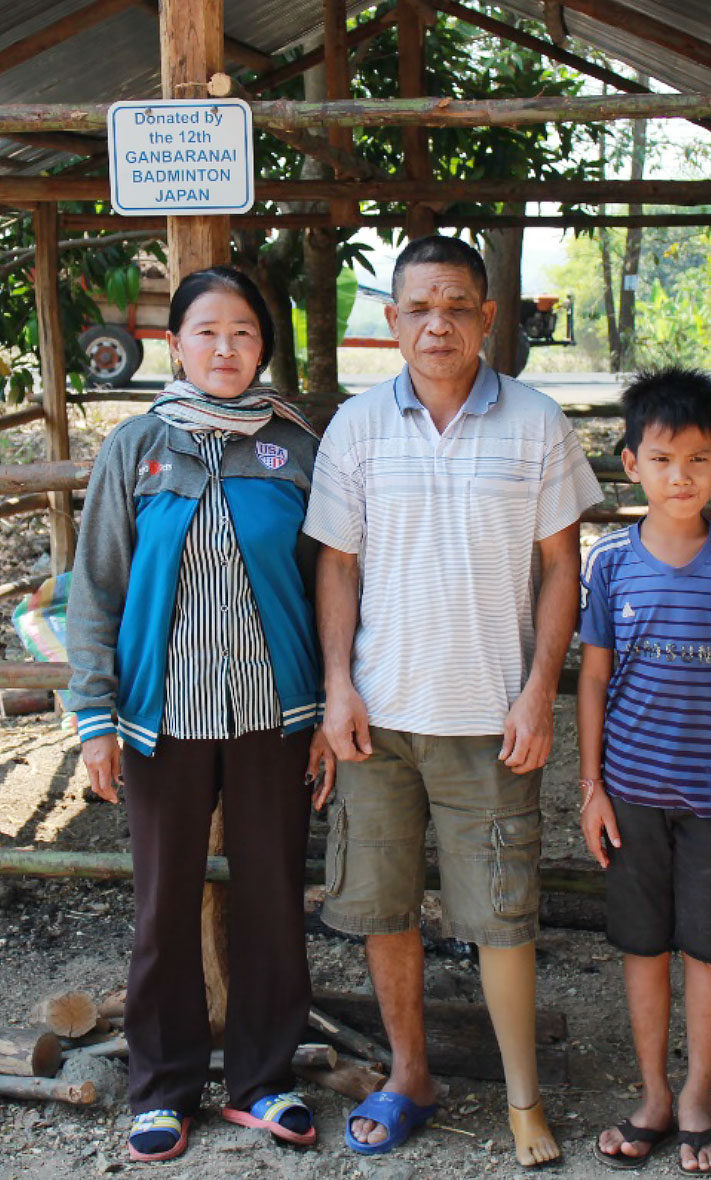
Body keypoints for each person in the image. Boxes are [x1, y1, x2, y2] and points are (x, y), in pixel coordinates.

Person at [303, 235, 602, 1167]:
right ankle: (409, 1076)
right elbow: (337, 567)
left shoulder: (536, 421)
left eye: (458, 305)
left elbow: (561, 568)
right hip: (380, 719)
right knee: (385, 907)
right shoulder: (356, 427)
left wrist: (536, 694)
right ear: (391, 322)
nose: (439, 323)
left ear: (486, 317)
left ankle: (522, 1100)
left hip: (490, 716)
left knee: (502, 912)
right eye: (419, 307)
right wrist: (338, 686)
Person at [66, 266, 335, 1163]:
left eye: (244, 334)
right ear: (175, 344)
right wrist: (94, 716)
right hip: (159, 718)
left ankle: (265, 1081)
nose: (226, 349)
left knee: (272, 900)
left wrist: (332, 709)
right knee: (162, 904)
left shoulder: (295, 447)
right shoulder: (135, 447)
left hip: (275, 711)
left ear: (264, 346)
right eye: (207, 332)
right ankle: (163, 1088)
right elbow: (97, 590)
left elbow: (328, 586)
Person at [577, 367, 711, 1176]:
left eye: (697, 460)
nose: (680, 476)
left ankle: (699, 1097)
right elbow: (593, 680)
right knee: (641, 947)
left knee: (706, 949)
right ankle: (653, 1098)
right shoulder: (607, 560)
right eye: (662, 459)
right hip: (629, 795)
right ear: (630, 462)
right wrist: (591, 788)